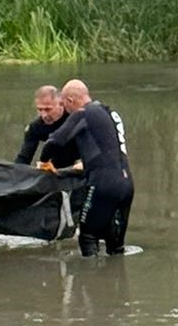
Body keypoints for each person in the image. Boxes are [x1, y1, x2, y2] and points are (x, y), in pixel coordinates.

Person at [39, 78, 133, 256]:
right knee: (116, 246)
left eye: (64, 104)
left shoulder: (82, 113)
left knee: (88, 236)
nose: (65, 110)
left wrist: (45, 163)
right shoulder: (109, 113)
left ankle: (91, 281)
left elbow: (53, 142)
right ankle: (118, 279)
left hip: (103, 185)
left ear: (70, 101)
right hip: (127, 184)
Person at [15, 84, 68, 164]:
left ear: (61, 104)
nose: (44, 115)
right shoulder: (35, 127)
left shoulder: (74, 118)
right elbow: (24, 157)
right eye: (40, 110)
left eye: (48, 109)